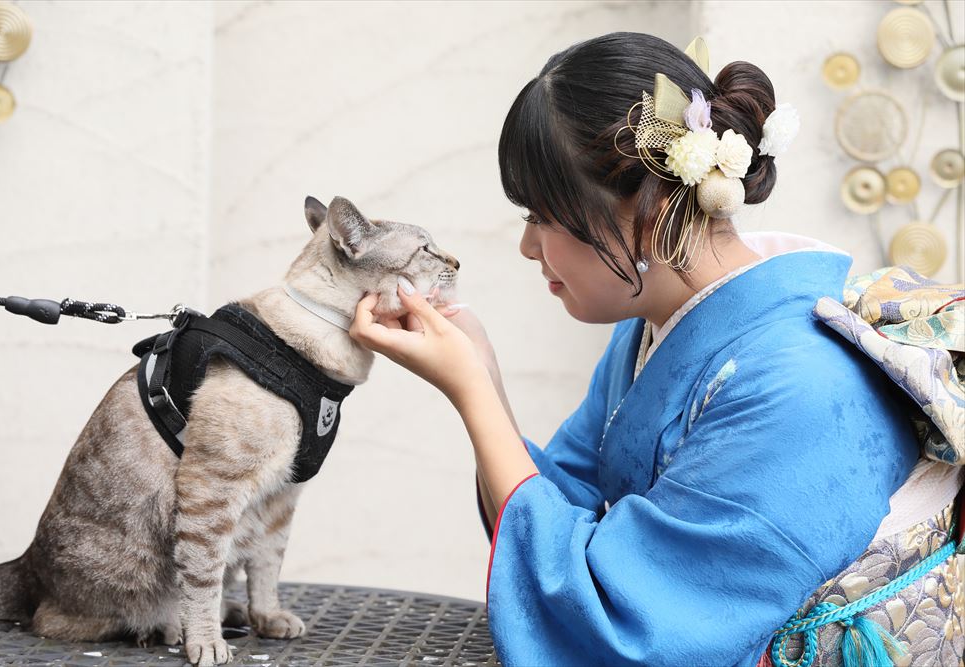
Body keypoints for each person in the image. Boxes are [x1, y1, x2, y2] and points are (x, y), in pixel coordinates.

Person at [348, 32, 963, 667]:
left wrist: (471, 395)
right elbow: (565, 515)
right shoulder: (651, 324)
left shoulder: (804, 385)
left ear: (653, 206)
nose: (528, 248)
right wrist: (483, 377)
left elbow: (628, 633)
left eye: (541, 216)